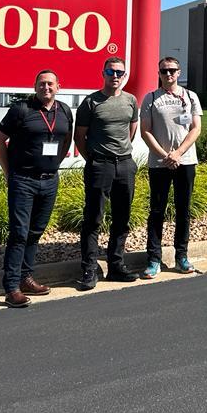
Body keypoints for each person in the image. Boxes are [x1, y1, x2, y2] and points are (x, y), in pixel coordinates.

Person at [0, 70, 73, 308]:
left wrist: (54, 164)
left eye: (50, 84)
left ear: (58, 86)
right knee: (19, 233)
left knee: (36, 232)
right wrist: (9, 173)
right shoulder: (21, 109)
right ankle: (12, 288)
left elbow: (66, 139)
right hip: (23, 180)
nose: (46, 88)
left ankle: (26, 278)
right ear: (35, 86)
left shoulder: (65, 111)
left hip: (50, 180)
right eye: (41, 84)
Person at [74, 56, 140, 290]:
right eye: (111, 72)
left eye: (119, 72)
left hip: (125, 165)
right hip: (100, 165)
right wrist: (93, 160)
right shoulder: (91, 102)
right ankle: (89, 269)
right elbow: (79, 137)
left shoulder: (131, 100)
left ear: (124, 75)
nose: (115, 76)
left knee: (122, 217)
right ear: (103, 73)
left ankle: (116, 265)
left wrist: (120, 154)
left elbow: (131, 131)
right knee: (93, 218)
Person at [139, 57, 202, 278]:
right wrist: (165, 155)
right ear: (159, 73)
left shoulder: (190, 96)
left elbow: (196, 128)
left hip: (186, 161)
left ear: (179, 72)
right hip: (159, 163)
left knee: (183, 210)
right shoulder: (151, 98)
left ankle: (181, 256)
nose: (168, 74)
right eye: (164, 71)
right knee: (157, 211)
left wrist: (178, 153)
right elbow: (145, 131)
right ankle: (154, 259)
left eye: (172, 70)